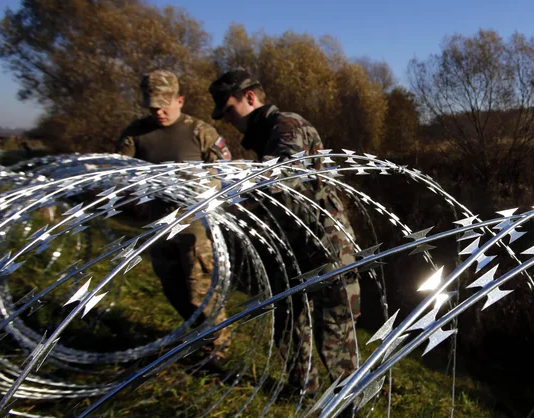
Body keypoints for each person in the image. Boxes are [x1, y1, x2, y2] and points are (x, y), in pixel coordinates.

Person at [208, 68, 361, 394]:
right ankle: (302, 389)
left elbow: (281, 174)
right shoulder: (266, 135)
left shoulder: (288, 125)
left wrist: (232, 188)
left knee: (333, 329)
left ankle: (346, 401)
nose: (227, 120)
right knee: (288, 321)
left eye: (230, 110)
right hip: (289, 243)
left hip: (324, 242)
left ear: (250, 98)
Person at [116, 69, 232, 369]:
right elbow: (119, 175)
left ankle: (218, 345)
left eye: (165, 105)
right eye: (153, 106)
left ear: (180, 100)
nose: (159, 112)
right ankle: (199, 337)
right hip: (157, 226)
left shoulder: (199, 131)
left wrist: (197, 189)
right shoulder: (136, 135)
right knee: (173, 288)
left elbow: (226, 172)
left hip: (195, 227)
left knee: (201, 288)